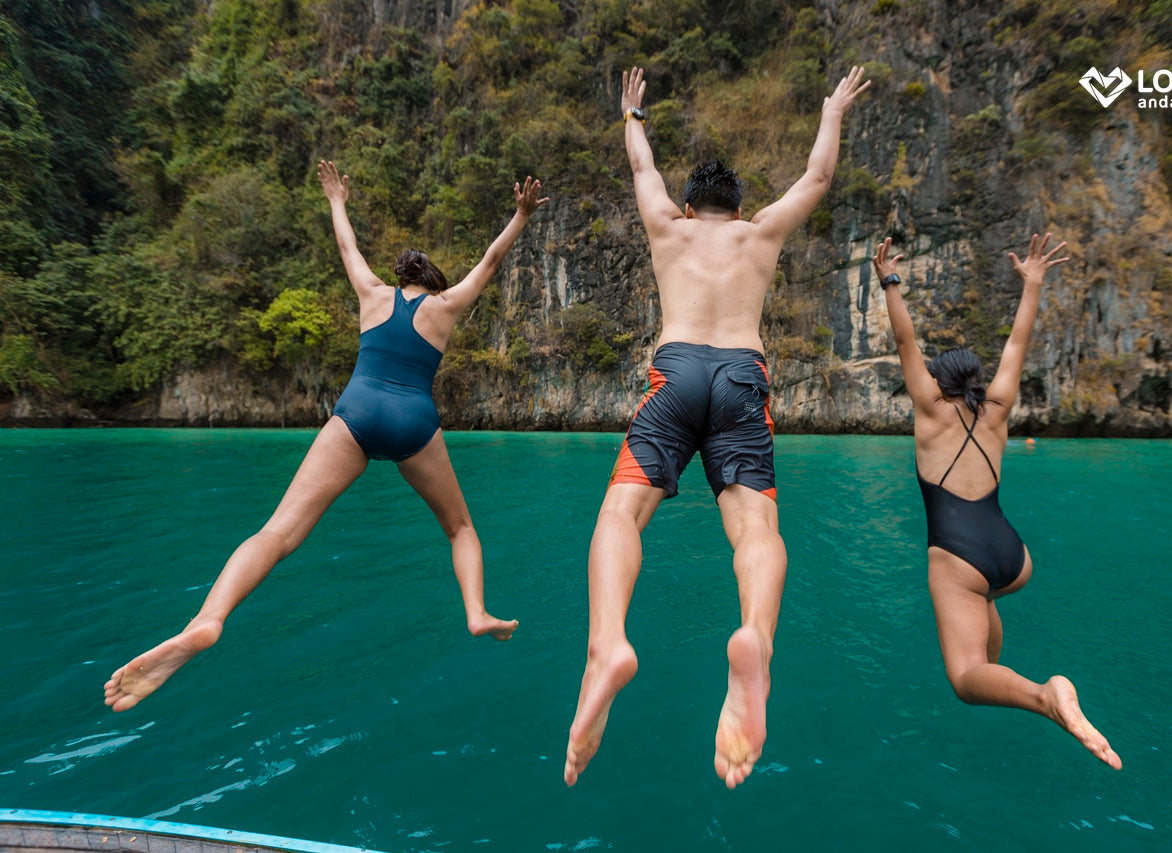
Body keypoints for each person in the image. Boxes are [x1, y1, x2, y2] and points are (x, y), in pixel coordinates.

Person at [103, 161, 546, 712]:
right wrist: (522, 214)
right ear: (431, 285)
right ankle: (477, 612)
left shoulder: (370, 292)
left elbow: (347, 245)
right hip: (412, 419)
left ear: (399, 279)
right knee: (459, 529)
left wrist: (336, 197)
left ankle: (208, 619)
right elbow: (492, 259)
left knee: (278, 534)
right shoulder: (446, 305)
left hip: (356, 413)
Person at [563, 66, 872, 789]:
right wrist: (830, 110)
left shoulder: (666, 226)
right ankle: (754, 641)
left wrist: (633, 114)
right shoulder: (760, 234)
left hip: (674, 376)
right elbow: (818, 178)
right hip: (741, 377)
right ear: (736, 207)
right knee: (756, 529)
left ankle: (607, 645)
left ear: (692, 202)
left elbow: (641, 164)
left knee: (621, 513)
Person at [872, 233, 1122, 769]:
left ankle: (1044, 695)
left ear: (937, 383)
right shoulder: (999, 408)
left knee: (965, 679)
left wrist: (889, 280)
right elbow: (1018, 343)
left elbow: (903, 341)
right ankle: (997, 654)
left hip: (958, 556)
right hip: (1012, 557)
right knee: (980, 634)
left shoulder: (929, 410)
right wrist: (1032, 283)